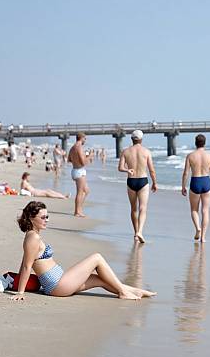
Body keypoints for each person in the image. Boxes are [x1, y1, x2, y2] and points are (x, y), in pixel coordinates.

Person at [11, 201, 156, 301]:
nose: (47, 220)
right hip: (58, 286)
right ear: (31, 218)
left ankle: (134, 291)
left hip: (61, 282)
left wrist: (18, 282)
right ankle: (124, 292)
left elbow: (25, 261)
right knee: (97, 258)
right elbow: (26, 266)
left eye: (47, 216)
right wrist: (20, 292)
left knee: (101, 279)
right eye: (43, 217)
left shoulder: (33, 236)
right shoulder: (32, 239)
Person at [118, 129, 157, 242]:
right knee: (142, 208)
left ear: (132, 139)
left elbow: (120, 168)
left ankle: (136, 234)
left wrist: (127, 170)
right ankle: (140, 232)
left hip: (131, 181)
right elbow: (152, 170)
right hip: (143, 181)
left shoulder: (126, 151)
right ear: (141, 139)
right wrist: (154, 182)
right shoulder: (146, 152)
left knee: (133, 208)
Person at [181, 134, 210, 242]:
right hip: (206, 182)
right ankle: (203, 237)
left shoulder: (190, 156)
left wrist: (183, 186)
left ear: (195, 142)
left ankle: (198, 228)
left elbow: (186, 173)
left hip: (195, 182)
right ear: (204, 143)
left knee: (194, 209)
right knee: (205, 210)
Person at [67, 132, 90, 217]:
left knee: (86, 191)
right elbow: (83, 162)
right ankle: (77, 211)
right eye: (85, 139)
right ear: (82, 138)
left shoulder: (73, 147)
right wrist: (90, 156)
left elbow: (69, 159)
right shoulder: (79, 147)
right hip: (79, 171)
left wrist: (76, 160)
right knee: (80, 192)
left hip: (76, 170)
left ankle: (79, 208)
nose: (85, 140)